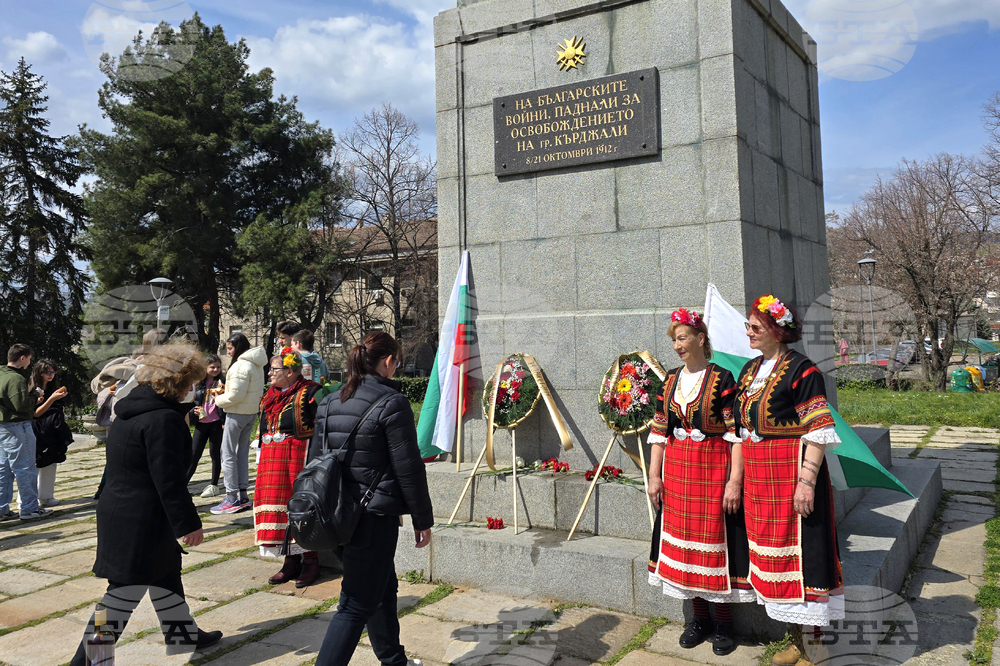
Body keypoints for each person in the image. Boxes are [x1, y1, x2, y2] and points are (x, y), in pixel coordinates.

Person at [68, 344, 222, 665]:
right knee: (122, 594)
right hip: (141, 519)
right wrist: (189, 524)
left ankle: (182, 635)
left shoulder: (130, 407)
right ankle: (86, 661)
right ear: (176, 382)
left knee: (166, 573)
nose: (193, 388)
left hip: (126, 511)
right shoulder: (162, 419)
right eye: (190, 382)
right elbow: (169, 480)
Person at [734, 295, 844, 666]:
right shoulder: (749, 371)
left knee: (805, 560)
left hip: (792, 476)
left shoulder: (802, 370)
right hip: (760, 483)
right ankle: (797, 642)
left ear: (777, 331)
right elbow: (740, 429)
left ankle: (816, 648)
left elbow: (819, 428)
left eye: (755, 327)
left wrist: (807, 480)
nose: (748, 332)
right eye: (749, 326)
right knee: (774, 564)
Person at [311, 331, 433, 665]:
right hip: (372, 517)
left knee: (381, 588)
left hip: (335, 515)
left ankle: (393, 660)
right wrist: (423, 520)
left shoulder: (330, 400)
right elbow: (408, 467)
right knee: (354, 604)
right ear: (390, 361)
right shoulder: (392, 402)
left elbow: (315, 462)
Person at [646, 309, 752, 656]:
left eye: (682, 337)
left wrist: (734, 481)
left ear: (700, 338)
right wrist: (654, 476)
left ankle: (723, 623)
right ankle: (699, 619)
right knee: (683, 546)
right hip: (677, 475)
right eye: (673, 339)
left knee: (713, 545)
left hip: (711, 472)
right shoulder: (670, 380)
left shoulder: (722, 379)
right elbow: (659, 432)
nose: (677, 345)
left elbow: (736, 435)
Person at [255, 348, 323, 587]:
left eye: (275, 370)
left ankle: (311, 560)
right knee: (280, 508)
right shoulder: (270, 395)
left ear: (291, 371)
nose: (270, 374)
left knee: (299, 507)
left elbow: (320, 428)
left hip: (297, 460)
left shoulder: (310, 392)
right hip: (272, 461)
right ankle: (290, 560)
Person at [212, 333, 267, 514]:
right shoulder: (256, 364)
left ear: (238, 347)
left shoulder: (240, 365)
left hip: (236, 413)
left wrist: (218, 399)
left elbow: (235, 395)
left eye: (230, 348)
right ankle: (243, 495)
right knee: (241, 453)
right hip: (250, 413)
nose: (228, 352)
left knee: (227, 454)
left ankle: (231, 497)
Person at [0, 344, 51, 521]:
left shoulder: (1, 373)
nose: (30, 361)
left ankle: (2, 509)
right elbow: (21, 405)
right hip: (17, 426)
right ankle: (29, 508)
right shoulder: (16, 378)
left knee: (3, 469)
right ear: (22, 358)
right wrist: (36, 394)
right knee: (25, 467)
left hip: (2, 427)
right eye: (29, 358)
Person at [29, 360, 73, 507]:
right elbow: (35, 413)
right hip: (37, 428)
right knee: (35, 463)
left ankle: (46, 496)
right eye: (48, 372)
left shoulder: (53, 387)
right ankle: (28, 499)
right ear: (39, 372)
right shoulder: (32, 389)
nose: (51, 376)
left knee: (51, 460)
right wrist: (52, 399)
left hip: (52, 429)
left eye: (53, 372)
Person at [188, 354, 226, 492]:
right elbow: (190, 402)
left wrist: (224, 420)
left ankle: (214, 484)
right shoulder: (197, 383)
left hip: (216, 422)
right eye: (212, 367)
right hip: (201, 423)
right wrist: (193, 411)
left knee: (215, 453)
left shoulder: (222, 382)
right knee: (194, 454)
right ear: (205, 368)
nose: (215, 369)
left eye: (218, 367)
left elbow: (226, 404)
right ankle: (184, 482)